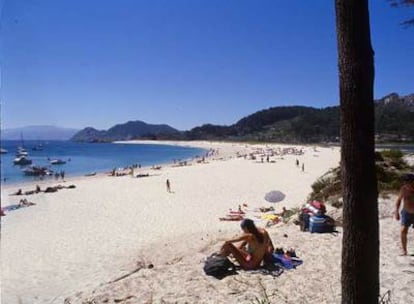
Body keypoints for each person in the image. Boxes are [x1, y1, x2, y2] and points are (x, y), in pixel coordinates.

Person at [395, 173, 414, 256]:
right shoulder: (403, 189)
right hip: (406, 212)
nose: (405, 183)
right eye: (404, 181)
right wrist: (396, 211)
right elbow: (399, 200)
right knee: (403, 231)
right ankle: (404, 250)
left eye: (407, 181)